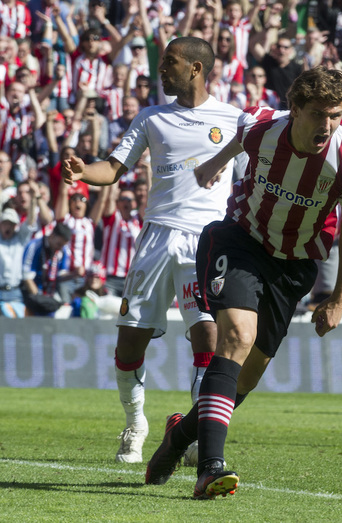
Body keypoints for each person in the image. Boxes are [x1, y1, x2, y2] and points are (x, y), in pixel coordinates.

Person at [144, 66, 342, 499]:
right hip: (241, 241)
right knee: (236, 336)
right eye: (318, 114)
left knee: (246, 380)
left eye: (336, 115)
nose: (327, 125)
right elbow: (241, 137)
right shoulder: (264, 125)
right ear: (295, 109)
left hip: (293, 268)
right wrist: (216, 163)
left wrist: (339, 297)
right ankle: (210, 468)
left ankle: (178, 437)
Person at [62, 37, 244, 464]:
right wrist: (83, 171)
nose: (161, 70)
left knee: (209, 335)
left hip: (208, 240)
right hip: (158, 237)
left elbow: (249, 178)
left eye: (170, 63)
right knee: (129, 344)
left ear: (196, 69)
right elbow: (113, 168)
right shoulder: (151, 118)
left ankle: (198, 435)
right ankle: (136, 421)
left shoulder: (234, 120)